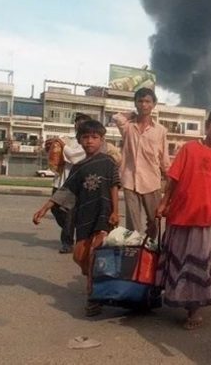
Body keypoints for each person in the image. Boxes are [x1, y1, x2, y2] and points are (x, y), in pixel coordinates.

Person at [155, 107, 211, 330]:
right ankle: (174, 297)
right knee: (178, 260)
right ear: (208, 124)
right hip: (180, 215)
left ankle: (193, 310)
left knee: (198, 264)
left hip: (206, 219)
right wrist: (164, 203)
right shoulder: (189, 148)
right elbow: (173, 179)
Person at [33, 119, 121, 316]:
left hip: (103, 213)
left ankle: (93, 297)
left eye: (94, 137)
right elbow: (66, 191)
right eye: (86, 137)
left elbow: (115, 186)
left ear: (102, 140)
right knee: (79, 255)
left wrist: (116, 211)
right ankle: (93, 278)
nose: (90, 141)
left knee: (94, 254)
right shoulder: (78, 167)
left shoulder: (108, 162)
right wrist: (45, 208)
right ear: (80, 141)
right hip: (84, 216)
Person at [111, 87, 170, 236]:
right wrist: (131, 114)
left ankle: (150, 251)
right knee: (133, 224)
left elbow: (164, 159)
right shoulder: (128, 127)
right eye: (140, 101)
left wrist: (170, 182)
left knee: (154, 220)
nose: (144, 105)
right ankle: (135, 253)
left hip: (152, 181)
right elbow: (116, 117)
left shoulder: (160, 130)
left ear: (154, 104)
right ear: (136, 103)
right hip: (130, 180)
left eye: (148, 101)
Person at [43, 113, 92, 254]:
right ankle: (72, 229)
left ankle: (67, 242)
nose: (78, 126)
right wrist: (52, 147)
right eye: (77, 123)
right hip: (60, 181)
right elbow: (57, 154)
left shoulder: (86, 143)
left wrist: (62, 145)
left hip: (74, 184)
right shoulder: (69, 140)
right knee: (55, 209)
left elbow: (73, 157)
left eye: (82, 123)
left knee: (69, 213)